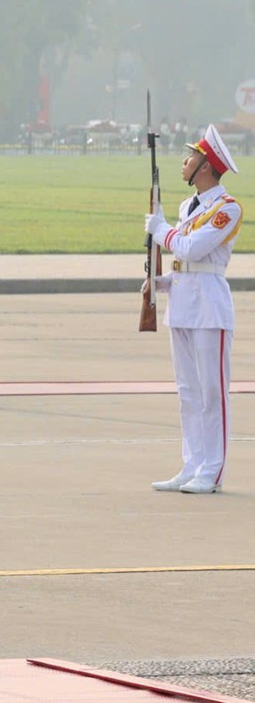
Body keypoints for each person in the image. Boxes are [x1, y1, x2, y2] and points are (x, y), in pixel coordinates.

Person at [146, 125, 239, 494]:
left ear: (206, 167)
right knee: (187, 391)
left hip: (210, 308)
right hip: (183, 304)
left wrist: (161, 230)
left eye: (191, 157)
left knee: (212, 392)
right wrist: (163, 282)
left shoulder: (227, 208)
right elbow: (184, 263)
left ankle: (211, 471)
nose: (184, 162)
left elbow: (191, 249)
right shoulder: (188, 206)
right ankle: (192, 464)